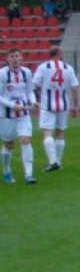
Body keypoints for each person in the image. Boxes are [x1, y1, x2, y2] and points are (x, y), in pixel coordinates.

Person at [32, 46, 79, 172]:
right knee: (60, 132)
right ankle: (58, 162)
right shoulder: (68, 68)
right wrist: (76, 106)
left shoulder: (43, 67)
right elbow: (74, 89)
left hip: (47, 105)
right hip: (63, 104)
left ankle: (52, 162)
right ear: (59, 53)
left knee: (47, 132)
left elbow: (35, 85)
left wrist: (39, 95)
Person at [0, 48, 38, 184]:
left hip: (23, 114)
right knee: (9, 144)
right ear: (7, 59)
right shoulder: (2, 74)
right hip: (6, 115)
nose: (15, 58)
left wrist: (33, 101)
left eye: (17, 56)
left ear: (21, 58)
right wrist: (12, 105)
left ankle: (29, 175)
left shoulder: (26, 73)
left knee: (25, 140)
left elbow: (29, 91)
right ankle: (6, 170)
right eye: (12, 56)